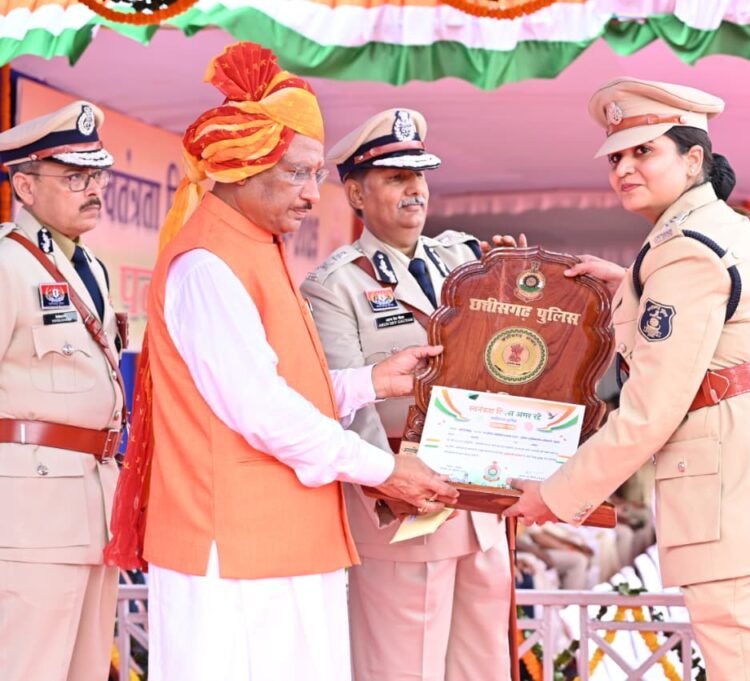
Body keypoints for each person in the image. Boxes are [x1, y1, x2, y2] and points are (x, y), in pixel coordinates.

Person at [103, 43, 457, 681]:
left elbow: (279, 386)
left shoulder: (254, 247)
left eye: (315, 175)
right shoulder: (208, 265)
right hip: (236, 550)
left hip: (278, 542)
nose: (313, 196)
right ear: (241, 167)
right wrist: (384, 468)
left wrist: (370, 382)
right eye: (297, 174)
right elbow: (263, 412)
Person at [505, 77, 750, 681]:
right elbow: (723, 330)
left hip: (737, 503)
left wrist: (556, 495)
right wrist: (634, 285)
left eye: (644, 151)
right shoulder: (727, 227)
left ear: (694, 159)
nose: (624, 168)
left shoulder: (684, 250)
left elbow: (650, 412)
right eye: (616, 157)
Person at [301, 108, 519, 681]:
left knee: (483, 667)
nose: (414, 189)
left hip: (481, 502)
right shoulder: (334, 286)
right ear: (356, 194)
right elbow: (346, 404)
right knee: (403, 668)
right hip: (404, 505)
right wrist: (390, 487)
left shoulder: (465, 261)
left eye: (418, 175)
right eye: (396, 178)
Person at [0, 99, 124, 681]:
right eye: (74, 177)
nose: (92, 189)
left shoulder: (91, 266)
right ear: (24, 187)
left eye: (97, 175)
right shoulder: (7, 264)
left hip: (94, 508)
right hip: (30, 518)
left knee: (86, 670)